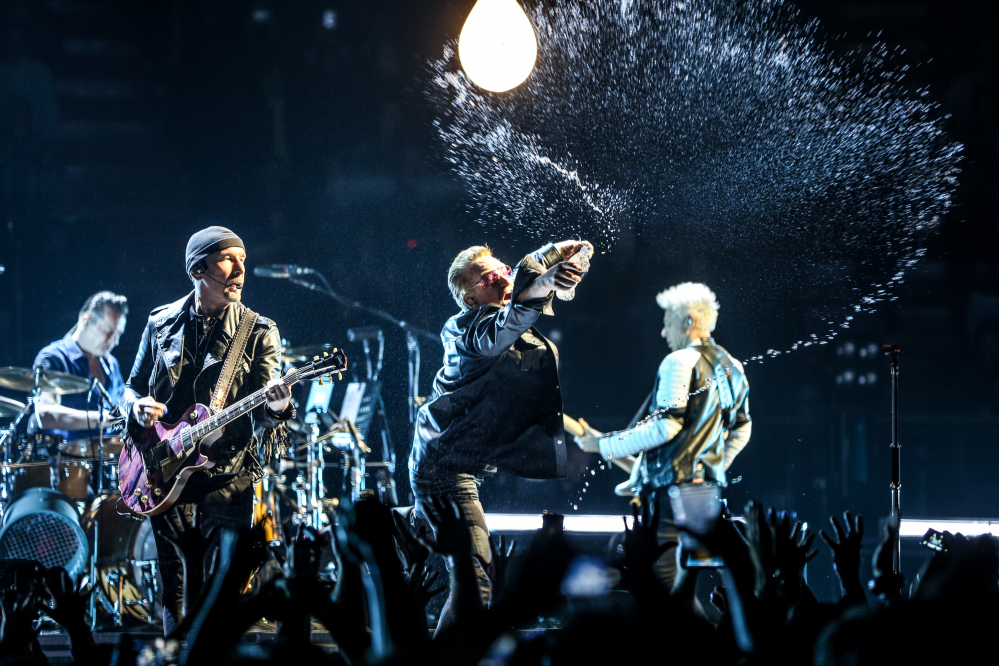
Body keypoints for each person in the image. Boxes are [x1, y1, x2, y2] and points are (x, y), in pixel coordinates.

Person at [119, 226, 295, 634]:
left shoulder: (258, 330)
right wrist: (136, 407)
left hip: (226, 473)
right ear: (198, 269)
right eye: (228, 260)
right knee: (174, 584)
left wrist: (279, 405)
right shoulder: (159, 321)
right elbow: (130, 386)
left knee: (224, 588)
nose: (239, 270)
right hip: (162, 467)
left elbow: (268, 415)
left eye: (243, 261)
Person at [409, 239, 591, 632]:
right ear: (470, 298)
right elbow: (511, 318)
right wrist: (546, 268)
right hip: (443, 468)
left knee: (477, 581)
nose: (501, 276)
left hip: (462, 466)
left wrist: (559, 267)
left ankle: (408, 522)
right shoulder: (465, 328)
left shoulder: (510, 320)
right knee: (476, 585)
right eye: (486, 277)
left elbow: (523, 304)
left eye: (503, 269)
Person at [574, 282, 751, 584]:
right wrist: (714, 467)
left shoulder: (678, 362)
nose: (663, 333)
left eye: (667, 323)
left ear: (688, 321)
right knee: (687, 581)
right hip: (707, 496)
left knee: (666, 586)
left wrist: (603, 446)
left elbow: (667, 426)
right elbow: (742, 428)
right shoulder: (733, 366)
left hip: (671, 497)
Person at [33, 291, 128, 445]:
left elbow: (123, 409)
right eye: (109, 332)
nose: (115, 341)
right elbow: (45, 414)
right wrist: (104, 419)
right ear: (86, 320)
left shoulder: (112, 363)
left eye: (118, 334)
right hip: (66, 462)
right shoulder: (53, 357)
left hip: (109, 461)